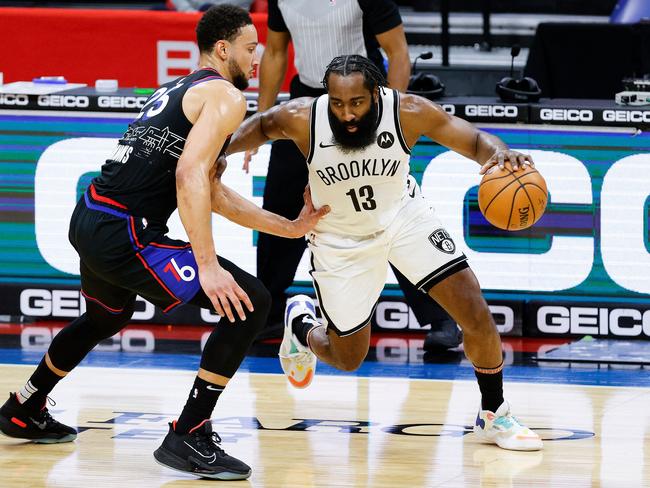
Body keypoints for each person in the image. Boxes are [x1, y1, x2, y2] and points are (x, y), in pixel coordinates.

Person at [0, 5, 328, 481]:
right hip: (125, 231)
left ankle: (23, 405)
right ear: (223, 49)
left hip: (91, 214)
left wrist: (289, 227)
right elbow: (189, 174)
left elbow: (209, 190)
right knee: (252, 302)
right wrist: (207, 264)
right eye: (250, 48)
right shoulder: (225, 96)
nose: (257, 59)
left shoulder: (179, 87)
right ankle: (189, 434)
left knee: (107, 314)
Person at [227, 54, 543, 451]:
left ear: (375, 94)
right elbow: (262, 124)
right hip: (341, 240)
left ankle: (494, 413)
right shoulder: (303, 117)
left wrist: (498, 154)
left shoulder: (408, 111)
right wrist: (223, 149)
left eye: (356, 102)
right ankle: (302, 328)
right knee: (347, 358)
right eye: (338, 103)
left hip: (404, 219)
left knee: (472, 308)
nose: (347, 114)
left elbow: (475, 140)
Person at [251, 0, 460, 349]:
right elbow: (274, 52)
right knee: (280, 203)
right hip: (306, 102)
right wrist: (260, 121)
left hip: (363, 105)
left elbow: (398, 52)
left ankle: (439, 316)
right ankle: (269, 313)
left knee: (387, 212)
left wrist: (388, 117)